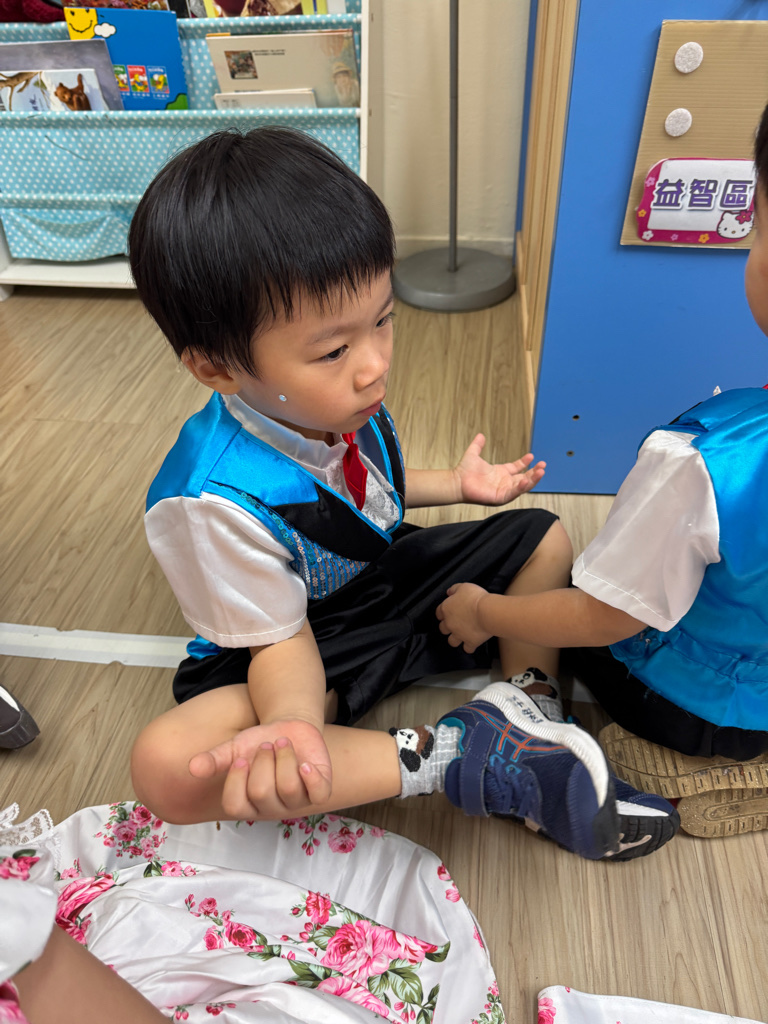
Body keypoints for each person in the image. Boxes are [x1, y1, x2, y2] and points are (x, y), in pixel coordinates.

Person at [127, 126, 676, 862]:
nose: (375, 364)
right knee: (171, 765)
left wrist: (457, 485)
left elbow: (359, 501)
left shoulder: (331, 400)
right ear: (217, 368)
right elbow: (282, 644)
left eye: (383, 320)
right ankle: (458, 755)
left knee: (542, 536)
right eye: (335, 349)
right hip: (284, 648)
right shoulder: (208, 504)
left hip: (375, 581)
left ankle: (529, 713)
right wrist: (295, 728)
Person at [436, 103, 768, 841]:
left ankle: (604, 750)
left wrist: (486, 613)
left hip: (697, 707)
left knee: (571, 579)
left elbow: (610, 614)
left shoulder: (709, 459)